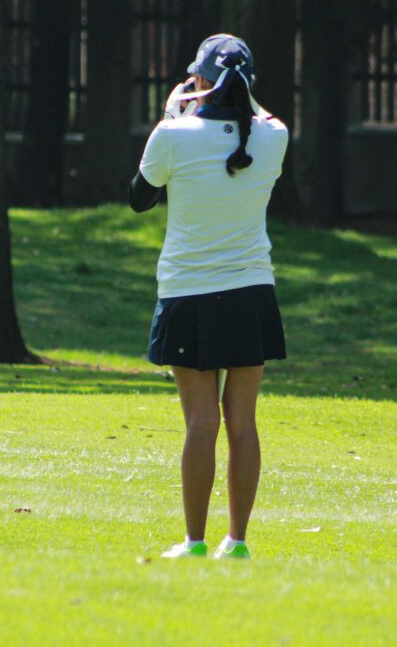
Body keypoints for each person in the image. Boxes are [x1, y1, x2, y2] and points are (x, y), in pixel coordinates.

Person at [129, 34, 289, 561]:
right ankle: (236, 542)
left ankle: (195, 542)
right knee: (243, 421)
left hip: (188, 293)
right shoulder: (275, 135)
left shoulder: (173, 134)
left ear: (199, 81)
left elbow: (139, 199)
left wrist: (173, 113)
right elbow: (255, 118)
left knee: (202, 422)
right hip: (250, 292)